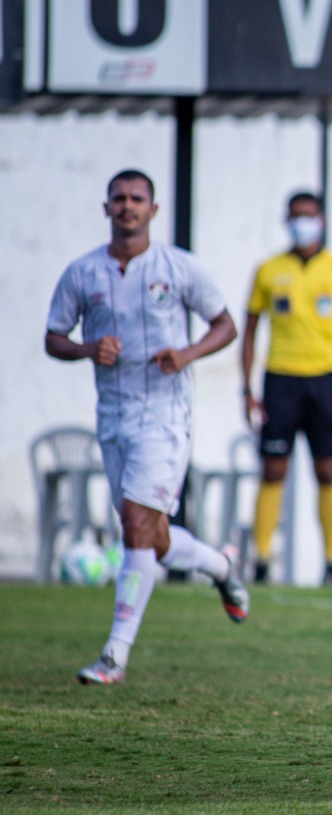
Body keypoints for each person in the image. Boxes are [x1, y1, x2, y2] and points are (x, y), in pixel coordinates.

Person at [45, 169, 251, 686]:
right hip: (112, 416)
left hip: (165, 416)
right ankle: (221, 568)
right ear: (107, 207)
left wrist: (186, 354)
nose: (128, 206)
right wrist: (87, 348)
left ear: (153, 210)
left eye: (138, 199)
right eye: (119, 198)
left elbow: (225, 324)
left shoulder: (178, 268)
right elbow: (53, 337)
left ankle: (114, 654)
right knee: (150, 536)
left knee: (136, 526)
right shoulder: (83, 273)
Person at [242, 191, 332, 586]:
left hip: (327, 378)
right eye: (295, 217)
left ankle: (330, 562)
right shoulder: (268, 269)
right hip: (279, 377)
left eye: (308, 216)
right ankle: (261, 560)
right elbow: (249, 332)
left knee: (326, 469)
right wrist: (246, 388)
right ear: (286, 220)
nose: (302, 223)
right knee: (273, 469)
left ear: (322, 219)